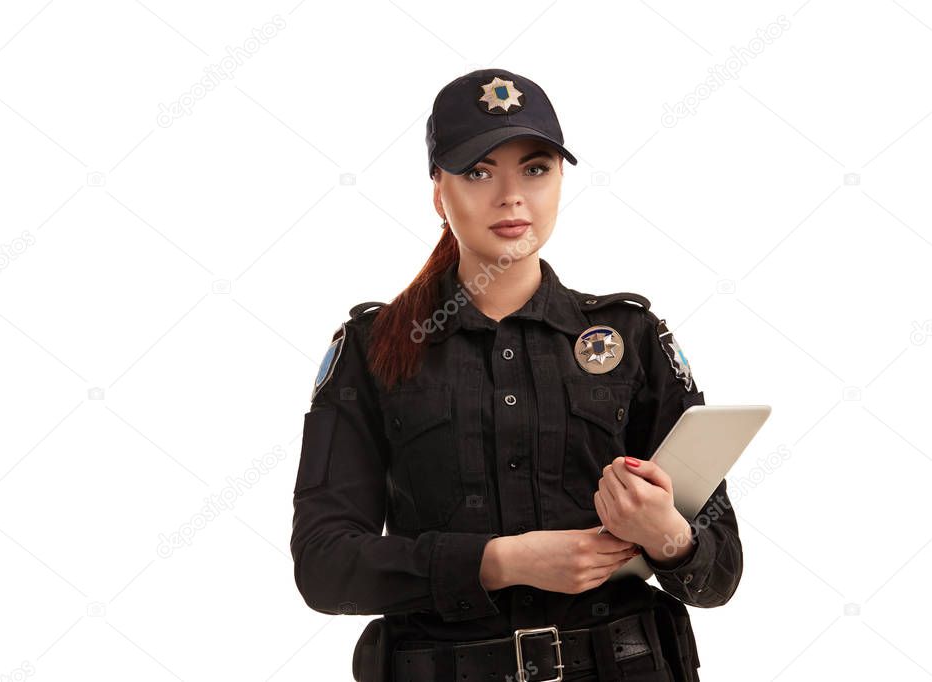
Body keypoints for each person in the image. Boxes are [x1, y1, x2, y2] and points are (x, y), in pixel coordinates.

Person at [290, 68, 743, 682]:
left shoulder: (631, 336)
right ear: (436, 192)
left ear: (560, 180)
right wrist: (500, 562)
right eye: (479, 172)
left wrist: (668, 535)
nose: (512, 196)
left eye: (536, 168)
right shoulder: (374, 349)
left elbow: (720, 577)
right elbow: (325, 567)